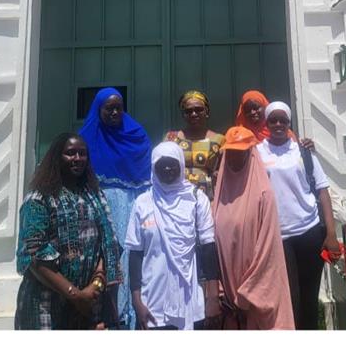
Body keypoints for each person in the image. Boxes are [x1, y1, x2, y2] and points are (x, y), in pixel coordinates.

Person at [15, 132, 121, 330]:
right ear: (57, 157)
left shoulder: (94, 195)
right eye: (70, 153)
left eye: (82, 154)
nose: (78, 159)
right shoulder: (39, 199)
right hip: (45, 302)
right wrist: (75, 295)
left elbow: (106, 242)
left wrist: (95, 285)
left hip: (90, 301)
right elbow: (35, 254)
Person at [256, 101, 341, 330]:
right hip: (277, 237)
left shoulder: (303, 151)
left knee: (309, 296)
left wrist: (331, 233)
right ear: (266, 122)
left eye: (283, 120)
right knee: (287, 298)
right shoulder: (257, 152)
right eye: (273, 119)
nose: (278, 124)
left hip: (309, 231)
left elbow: (322, 191)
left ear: (289, 123)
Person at [125, 142, 221, 330]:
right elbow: (135, 255)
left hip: (191, 300)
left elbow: (208, 248)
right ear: (154, 167)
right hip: (152, 301)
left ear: (181, 165)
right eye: (162, 164)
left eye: (172, 163)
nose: (167, 168)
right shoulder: (143, 203)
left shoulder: (195, 199)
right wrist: (137, 303)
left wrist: (213, 298)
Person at [79, 87, 152, 329]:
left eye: (118, 107)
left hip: (134, 205)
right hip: (101, 208)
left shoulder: (136, 135)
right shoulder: (86, 139)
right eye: (108, 108)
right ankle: (111, 316)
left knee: (133, 253)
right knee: (104, 257)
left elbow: (147, 173)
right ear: (98, 109)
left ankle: (135, 312)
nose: (113, 112)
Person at [212, 126, 295, 330]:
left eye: (240, 152)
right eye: (230, 152)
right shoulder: (220, 193)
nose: (234, 157)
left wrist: (246, 297)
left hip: (255, 297)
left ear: (251, 153)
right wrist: (221, 293)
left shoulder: (263, 194)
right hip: (229, 300)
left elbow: (268, 252)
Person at [163, 90, 224, 200]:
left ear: (207, 111)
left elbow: (224, 170)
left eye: (199, 110)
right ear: (183, 115)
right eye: (188, 111)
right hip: (176, 198)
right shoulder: (171, 138)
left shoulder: (219, 140)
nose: (194, 114)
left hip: (207, 198)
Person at [235, 89, 314, 150]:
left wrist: (305, 147)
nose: (252, 112)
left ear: (265, 107)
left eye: (256, 108)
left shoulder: (282, 131)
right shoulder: (239, 134)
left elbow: (296, 154)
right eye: (248, 110)